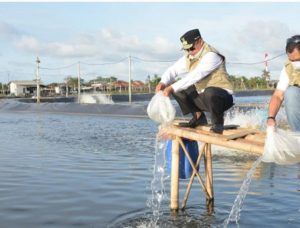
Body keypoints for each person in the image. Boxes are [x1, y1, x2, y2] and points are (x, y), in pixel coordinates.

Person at [155, 29, 233, 134]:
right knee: (178, 90)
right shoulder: (189, 57)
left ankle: (218, 124)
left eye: (191, 48)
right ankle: (199, 117)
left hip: (222, 97)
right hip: (203, 97)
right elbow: (173, 70)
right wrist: (163, 82)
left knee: (210, 92)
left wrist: (171, 88)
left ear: (200, 41)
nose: (189, 52)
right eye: (186, 49)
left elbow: (195, 75)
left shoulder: (211, 55)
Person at [267, 35, 300, 132]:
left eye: (298, 60)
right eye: (291, 60)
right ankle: (298, 135)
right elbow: (278, 95)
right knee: (290, 92)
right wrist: (271, 117)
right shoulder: (288, 67)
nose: (294, 63)